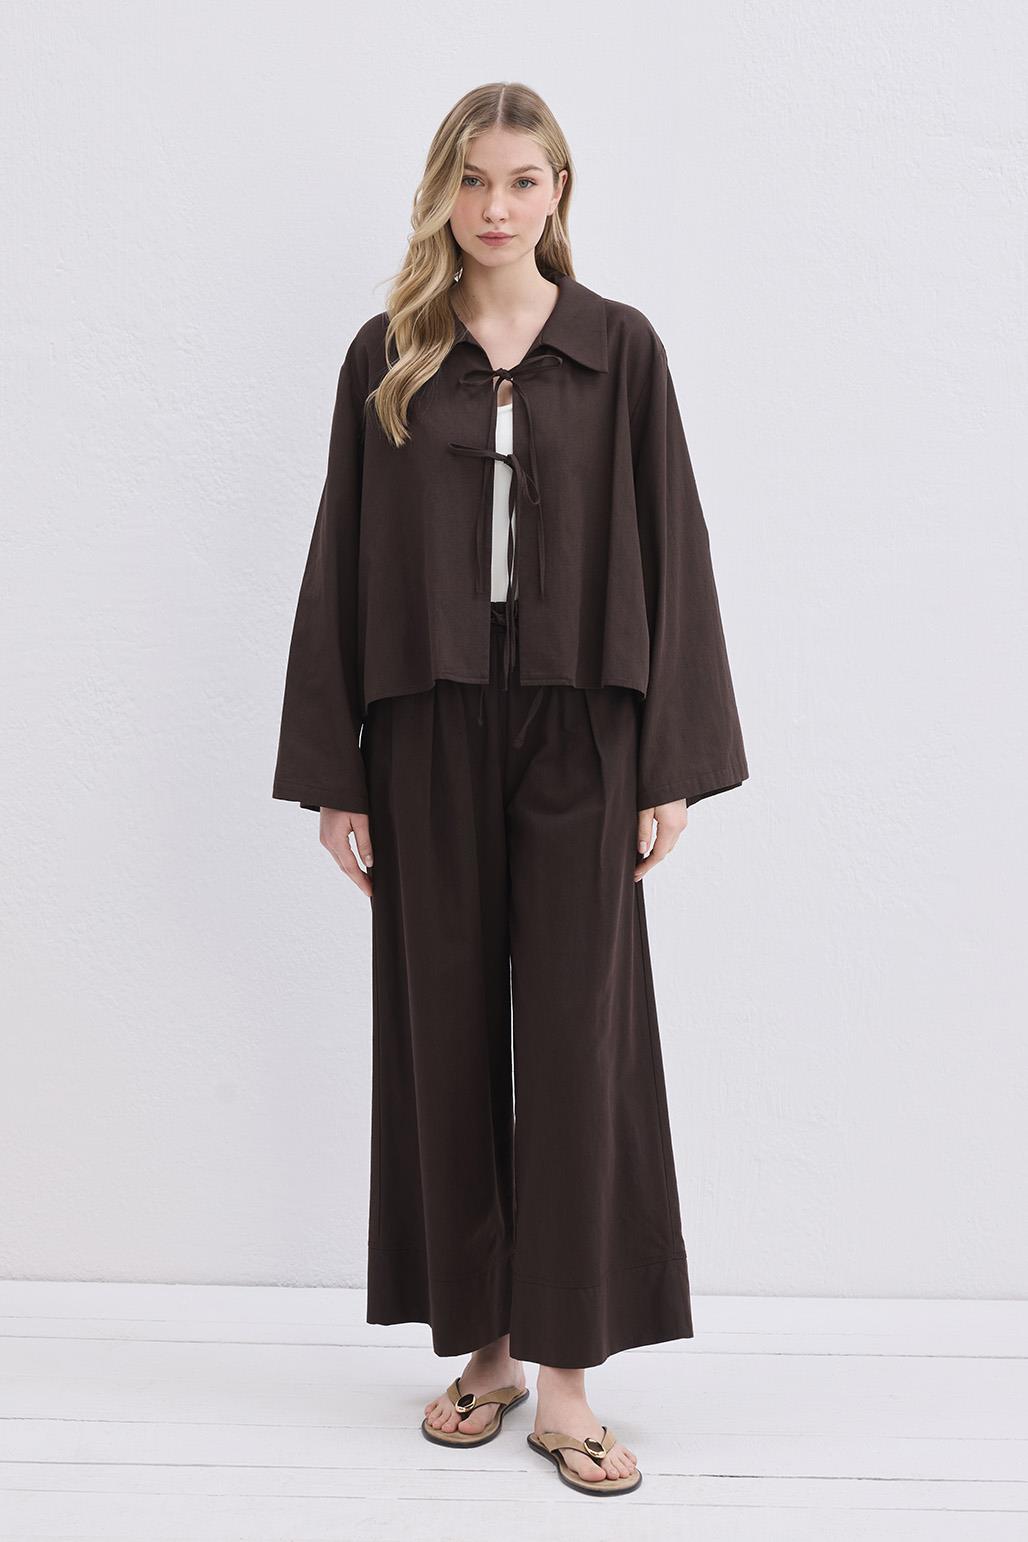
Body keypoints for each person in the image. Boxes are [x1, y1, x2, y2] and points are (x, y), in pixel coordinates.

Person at [272, 82, 749, 1499]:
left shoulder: (618, 347)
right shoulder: (390, 354)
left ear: (559, 192)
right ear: (443, 191)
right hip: (425, 724)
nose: (496, 206)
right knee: (446, 1030)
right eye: (473, 180)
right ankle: (481, 1347)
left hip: (581, 723)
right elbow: (339, 554)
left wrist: (669, 760)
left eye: (523, 180)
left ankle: (567, 1377)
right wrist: (336, 771)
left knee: (578, 1044)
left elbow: (674, 542)